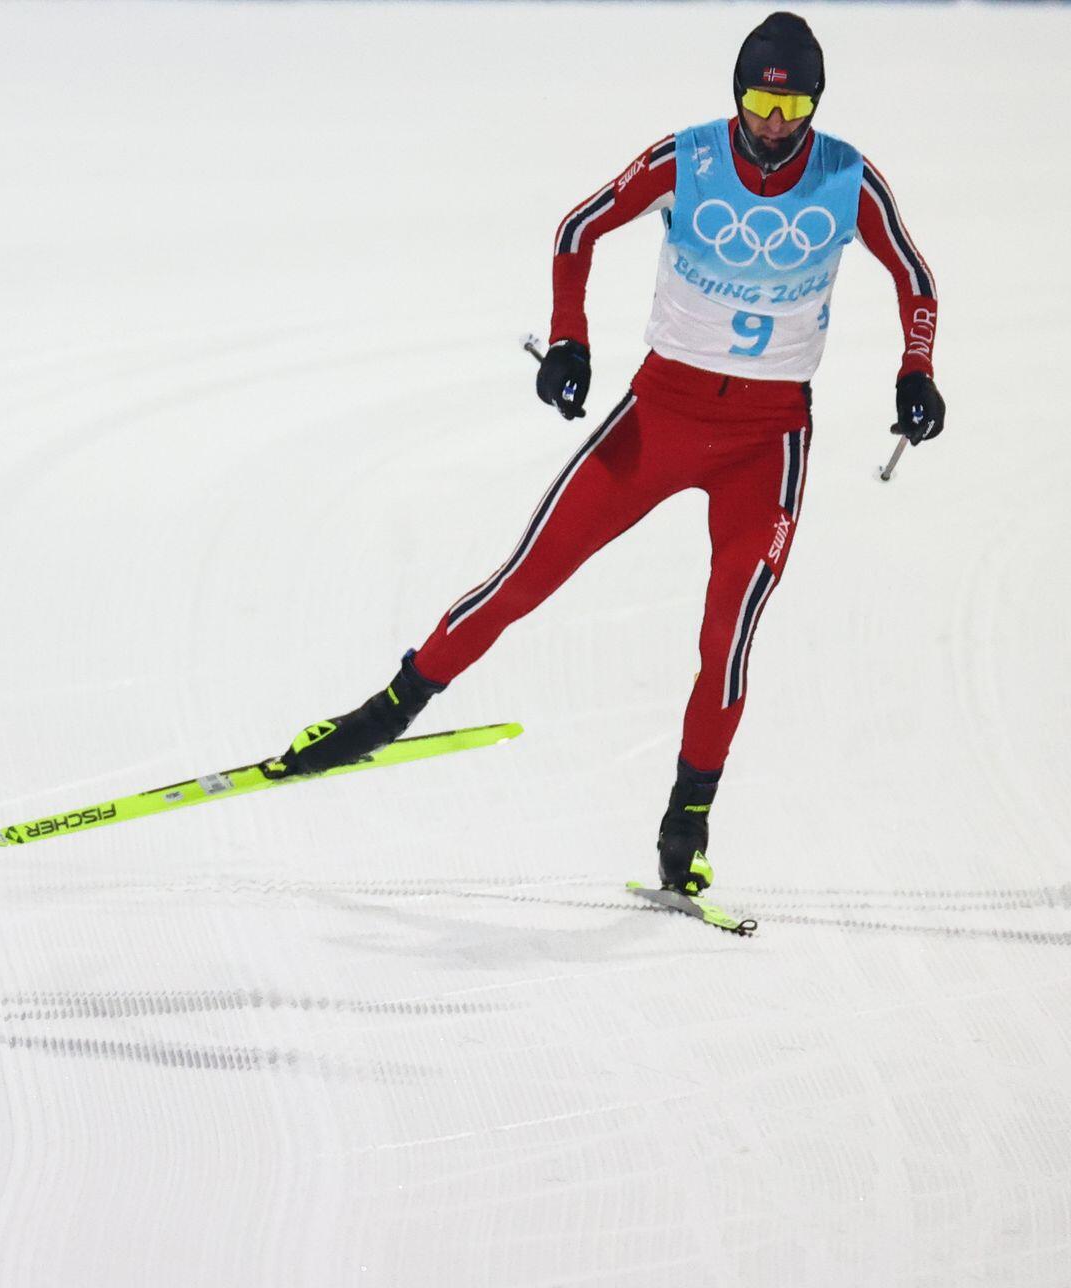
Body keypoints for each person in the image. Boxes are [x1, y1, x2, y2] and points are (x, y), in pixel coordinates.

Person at [271, 13, 942, 897]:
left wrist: (917, 369)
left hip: (767, 439)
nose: (775, 125)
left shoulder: (848, 177)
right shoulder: (688, 158)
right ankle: (385, 710)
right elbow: (577, 229)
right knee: (526, 575)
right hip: (660, 415)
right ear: (736, 95)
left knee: (728, 637)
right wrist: (569, 340)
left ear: (817, 104)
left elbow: (915, 277)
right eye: (759, 103)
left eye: (794, 109)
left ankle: (686, 822)